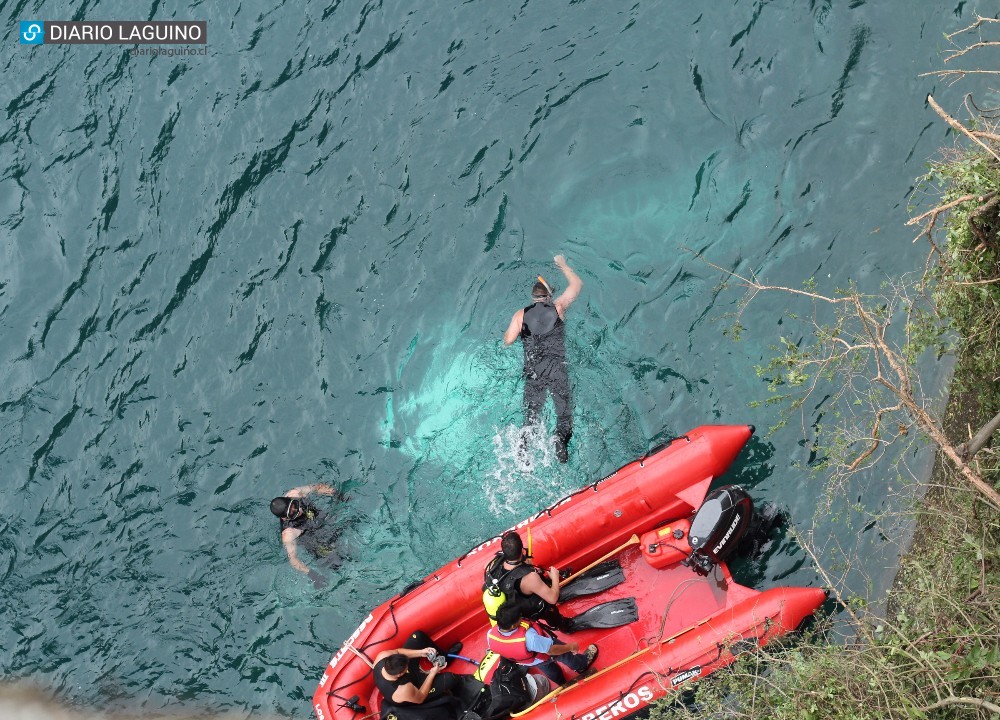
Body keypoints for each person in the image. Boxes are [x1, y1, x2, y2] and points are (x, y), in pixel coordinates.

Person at [503, 255, 583, 463]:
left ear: (533, 298)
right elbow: (577, 284)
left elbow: (508, 340)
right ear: (548, 297)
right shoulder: (558, 308)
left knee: (531, 416)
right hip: (556, 368)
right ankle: (559, 439)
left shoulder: (520, 314)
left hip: (533, 370)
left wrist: (521, 326)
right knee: (564, 414)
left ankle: (523, 449)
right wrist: (564, 265)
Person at [486, 602, 597, 685]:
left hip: (530, 661)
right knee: (564, 655)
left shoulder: (490, 635)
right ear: (513, 626)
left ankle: (562, 683)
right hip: (544, 651)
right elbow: (552, 650)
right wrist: (570, 647)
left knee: (549, 669)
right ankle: (581, 665)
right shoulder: (530, 637)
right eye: (519, 618)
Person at [483, 531, 563, 629]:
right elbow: (552, 599)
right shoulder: (530, 578)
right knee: (550, 611)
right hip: (530, 610)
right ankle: (561, 625)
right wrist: (555, 578)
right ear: (522, 551)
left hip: (512, 609)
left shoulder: (491, 565)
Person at [270, 483, 342, 587]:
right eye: (292, 513)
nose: (298, 510)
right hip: (312, 539)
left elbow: (316, 488)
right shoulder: (289, 533)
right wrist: (312, 574)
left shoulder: (295, 493)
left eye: (295, 505)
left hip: (321, 519)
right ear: (284, 518)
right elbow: (293, 560)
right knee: (337, 562)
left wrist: (336, 493)